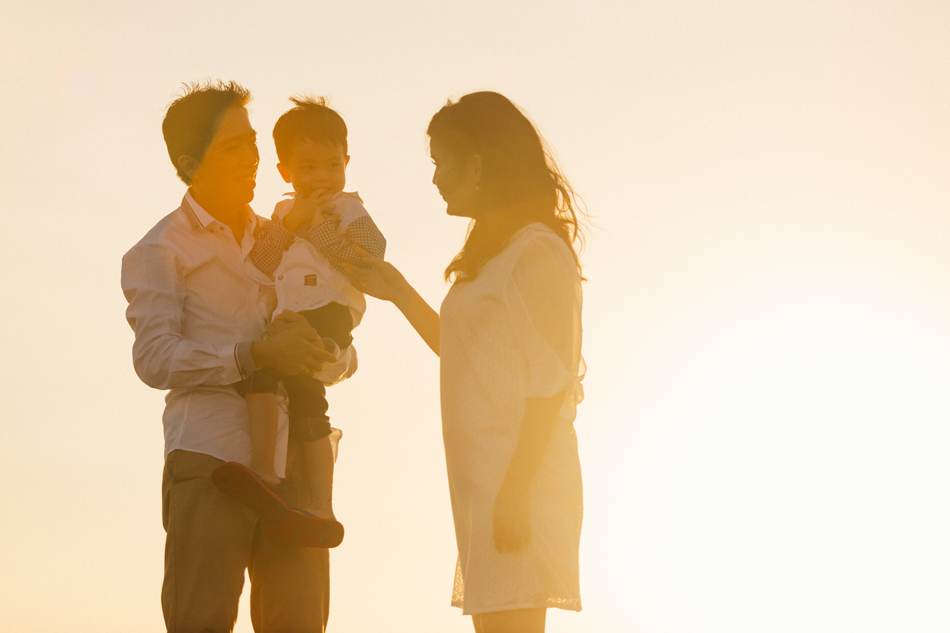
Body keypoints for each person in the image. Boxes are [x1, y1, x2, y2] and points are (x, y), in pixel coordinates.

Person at [345, 91, 586, 633]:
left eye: (440, 162)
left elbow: (551, 382)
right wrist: (398, 291)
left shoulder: (537, 249)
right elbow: (466, 354)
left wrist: (516, 490)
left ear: (477, 164)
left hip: (520, 485)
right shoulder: (494, 256)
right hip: (486, 486)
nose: (434, 178)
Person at [121, 80, 338, 632]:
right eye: (233, 146)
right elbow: (154, 358)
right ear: (189, 163)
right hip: (209, 459)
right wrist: (254, 354)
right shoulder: (160, 248)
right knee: (201, 621)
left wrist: (327, 355)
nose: (253, 157)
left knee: (300, 624)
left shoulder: (287, 237)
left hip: (295, 463)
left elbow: (332, 331)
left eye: (253, 141)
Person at [213, 96, 387, 548]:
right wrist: (293, 223)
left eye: (332, 165)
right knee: (278, 383)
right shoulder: (282, 215)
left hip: (330, 311)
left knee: (294, 384)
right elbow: (260, 264)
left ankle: (310, 495)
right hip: (290, 317)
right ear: (286, 172)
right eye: (308, 168)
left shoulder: (349, 209)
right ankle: (276, 476)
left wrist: (318, 228)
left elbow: (369, 257)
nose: (322, 177)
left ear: (346, 162)